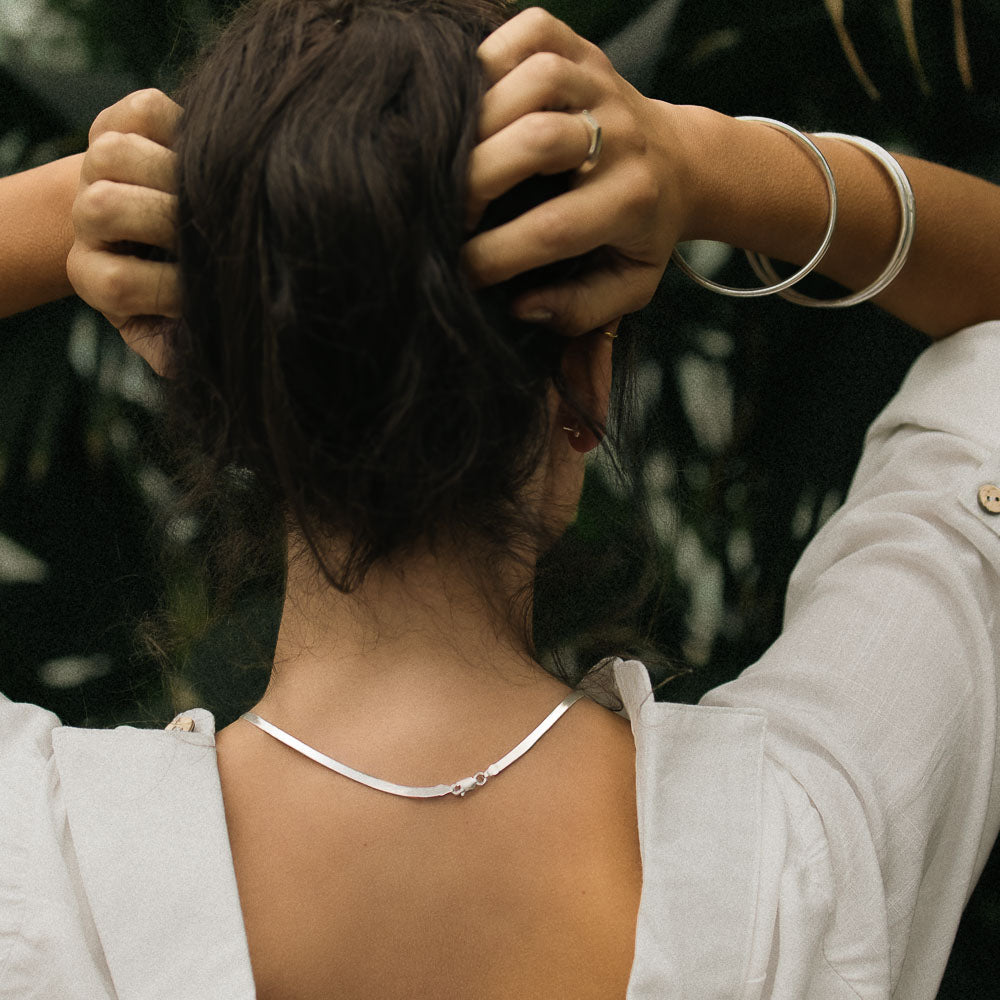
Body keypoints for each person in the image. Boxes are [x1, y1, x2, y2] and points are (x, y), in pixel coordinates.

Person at [1, 2, 999, 998]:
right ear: (585, 384)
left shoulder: (39, 877)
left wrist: (81, 204)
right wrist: (705, 163)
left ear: (213, 397)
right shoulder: (807, 848)